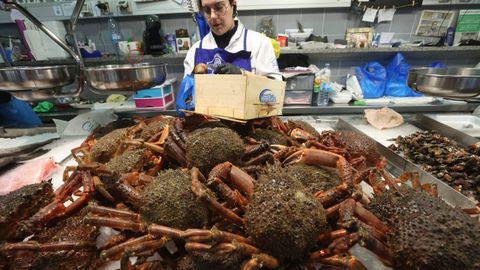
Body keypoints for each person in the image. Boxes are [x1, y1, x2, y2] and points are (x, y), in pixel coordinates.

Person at [183, 0, 281, 80]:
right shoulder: (194, 52)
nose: (212, 16)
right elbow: (186, 99)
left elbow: (274, 90)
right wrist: (192, 82)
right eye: (207, 10)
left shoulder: (259, 44)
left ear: (233, 4)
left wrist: (242, 74)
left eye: (219, 7)